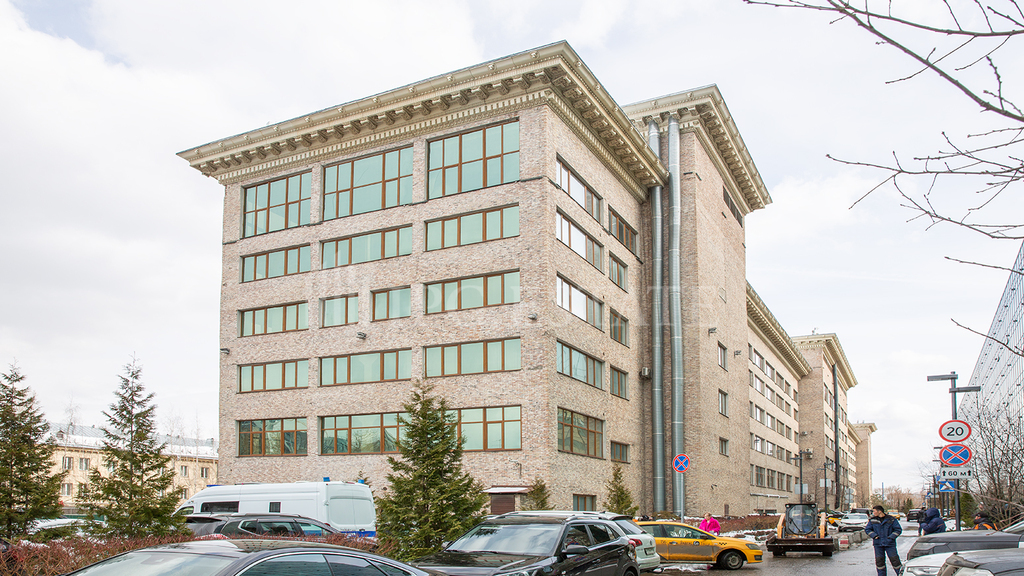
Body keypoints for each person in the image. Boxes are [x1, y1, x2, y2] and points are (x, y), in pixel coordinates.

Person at [864, 505, 903, 576]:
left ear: (880, 511)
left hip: (890, 544)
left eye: (874, 511)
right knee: (880, 562)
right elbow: (867, 529)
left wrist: (891, 537)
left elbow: (898, 530)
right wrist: (874, 536)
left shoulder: (891, 519)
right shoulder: (873, 520)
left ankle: (901, 574)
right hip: (878, 544)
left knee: (895, 561)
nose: (873, 513)